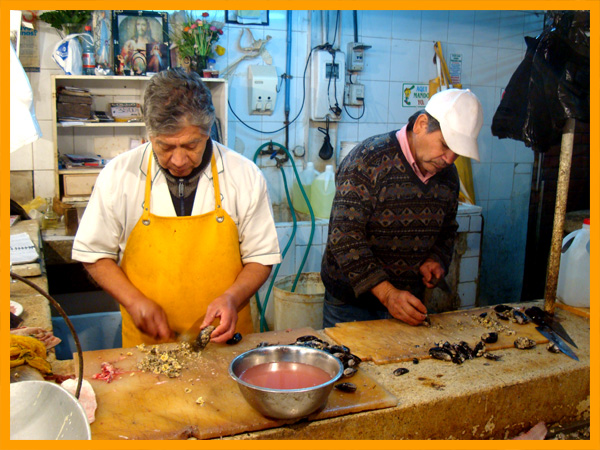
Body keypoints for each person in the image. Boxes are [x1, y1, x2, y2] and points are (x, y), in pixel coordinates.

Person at [72, 68, 281, 347]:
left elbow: (261, 256)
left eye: (191, 145)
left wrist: (232, 298)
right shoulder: (119, 175)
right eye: (166, 147)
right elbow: (94, 254)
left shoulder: (244, 175)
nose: (180, 160)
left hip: (225, 341)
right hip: (148, 345)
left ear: (208, 131)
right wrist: (135, 302)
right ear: (149, 134)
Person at [320, 88, 483, 327]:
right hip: (351, 305)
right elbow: (345, 238)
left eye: (456, 153)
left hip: (407, 302)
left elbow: (447, 228)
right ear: (421, 124)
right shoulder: (367, 160)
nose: (449, 159)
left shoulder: (448, 175)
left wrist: (437, 258)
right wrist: (387, 294)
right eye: (445, 145)